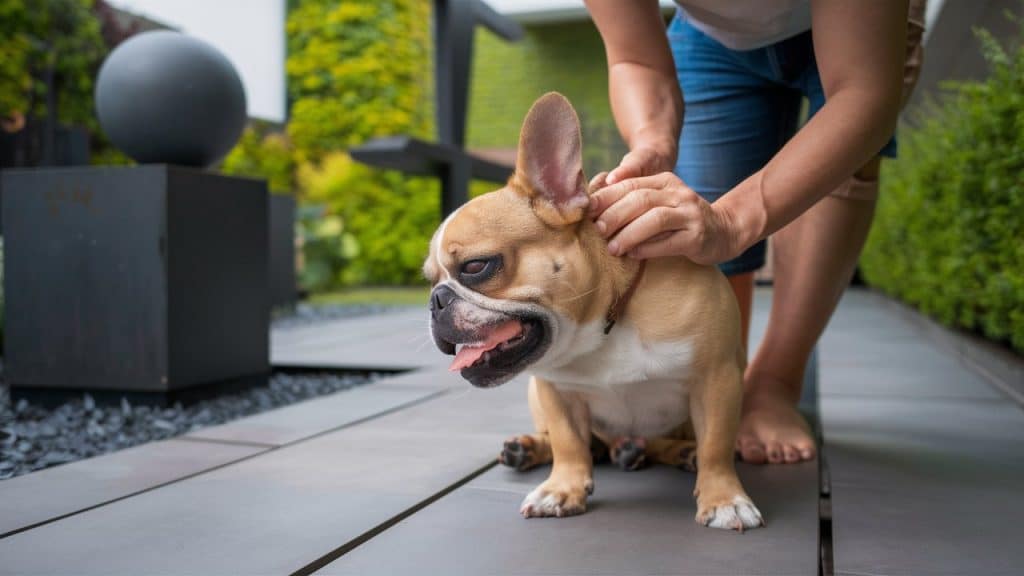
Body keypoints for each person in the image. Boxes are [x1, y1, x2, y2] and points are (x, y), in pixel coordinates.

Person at [584, 0, 925, 464]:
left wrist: (730, 223)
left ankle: (775, 384)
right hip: (714, 37)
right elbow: (635, 58)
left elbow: (862, 93)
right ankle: (722, 380)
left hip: (865, 28)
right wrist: (653, 141)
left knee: (838, 171)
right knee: (705, 194)